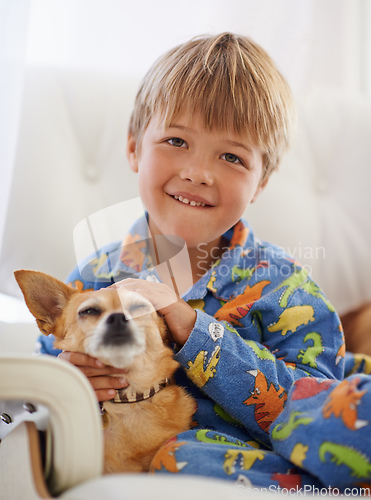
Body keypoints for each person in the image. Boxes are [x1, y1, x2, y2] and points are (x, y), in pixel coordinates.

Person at [37, 33, 351, 490]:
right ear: (133, 149)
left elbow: (323, 412)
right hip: (118, 459)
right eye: (176, 140)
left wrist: (192, 328)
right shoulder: (92, 280)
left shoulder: (285, 286)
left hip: (233, 467)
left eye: (231, 156)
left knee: (182, 458)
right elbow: (37, 388)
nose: (199, 172)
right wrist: (64, 384)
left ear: (260, 183)